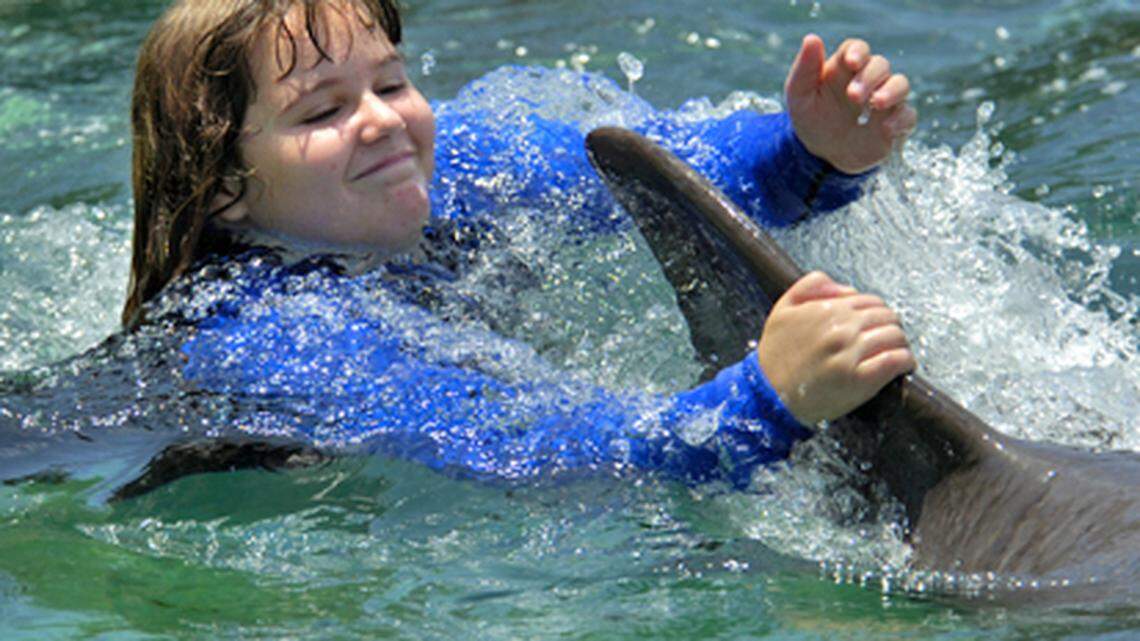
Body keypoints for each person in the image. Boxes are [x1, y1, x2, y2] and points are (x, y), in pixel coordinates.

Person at [121, 0, 917, 488]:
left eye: (391, 83)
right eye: (320, 113)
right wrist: (766, 401)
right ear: (225, 186)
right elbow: (535, 453)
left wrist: (808, 151)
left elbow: (673, 170)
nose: (383, 121)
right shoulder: (275, 337)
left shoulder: (464, 163)